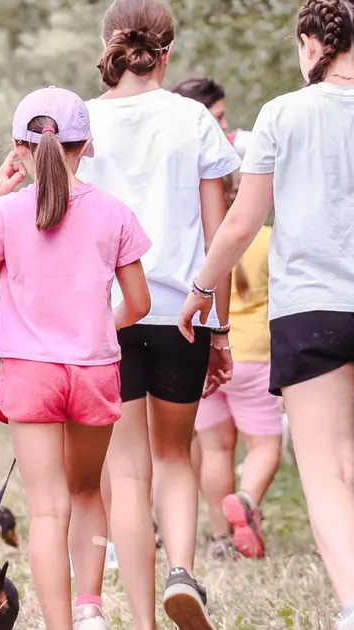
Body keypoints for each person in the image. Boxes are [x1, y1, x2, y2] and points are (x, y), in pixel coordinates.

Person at [179, 1, 354, 626]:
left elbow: (241, 222)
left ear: (311, 44)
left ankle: (353, 604)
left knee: (327, 469)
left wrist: (201, 288)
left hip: (310, 309)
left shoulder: (281, 113)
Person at [75, 2, 242, 628]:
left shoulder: (82, 121)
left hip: (108, 316)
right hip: (182, 312)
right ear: (166, 52)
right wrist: (219, 326)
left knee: (126, 468)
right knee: (175, 455)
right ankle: (182, 572)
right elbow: (216, 229)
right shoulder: (194, 118)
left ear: (109, 46)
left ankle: (142, 618)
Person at [0, 85, 152, 630]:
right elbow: (138, 303)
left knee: (47, 508)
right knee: (88, 490)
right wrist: (96, 324)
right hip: (93, 369)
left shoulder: (8, 213)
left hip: (30, 373)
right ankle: (90, 607)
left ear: (19, 150)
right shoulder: (114, 213)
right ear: (84, 145)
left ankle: (60, 625)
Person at [171, 76, 282, 561]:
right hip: (255, 351)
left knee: (213, 448)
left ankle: (219, 538)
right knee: (262, 446)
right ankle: (248, 500)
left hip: (197, 337)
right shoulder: (264, 237)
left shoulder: (194, 234)